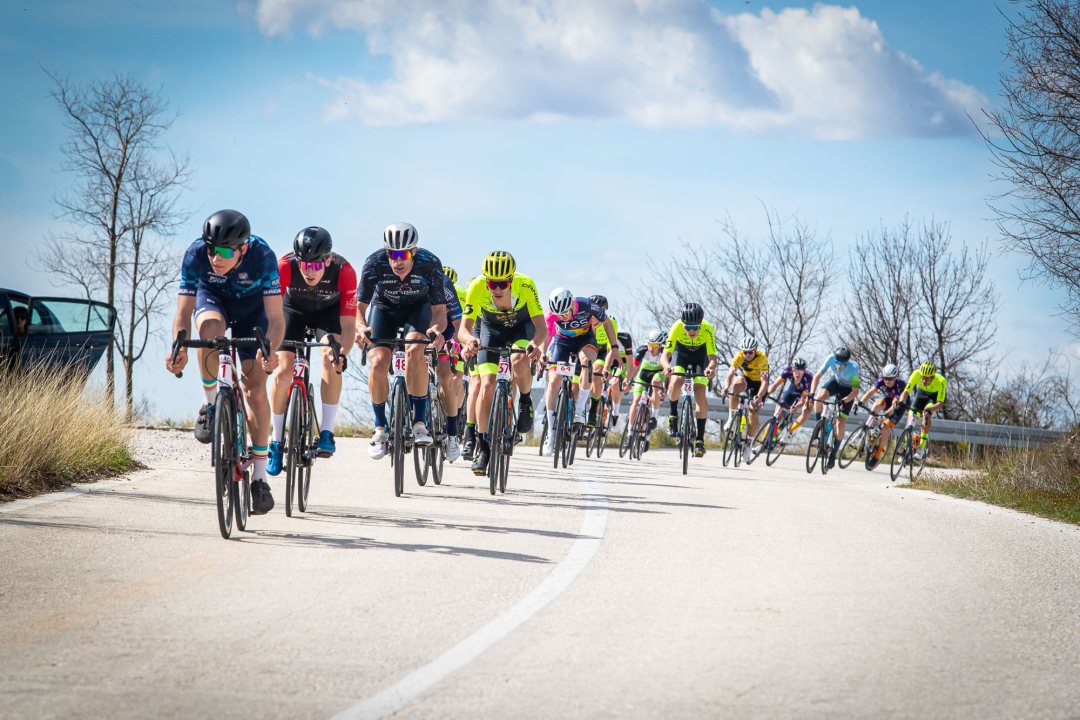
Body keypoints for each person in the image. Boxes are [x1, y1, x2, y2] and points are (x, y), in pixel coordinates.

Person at [165, 209, 284, 515]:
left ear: (243, 248)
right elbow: (183, 313)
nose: (215, 257)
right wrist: (178, 347)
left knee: (255, 389)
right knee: (208, 332)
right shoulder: (195, 254)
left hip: (253, 310)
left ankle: (259, 478)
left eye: (224, 251)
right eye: (211, 249)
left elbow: (276, 319)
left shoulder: (263, 256)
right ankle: (211, 406)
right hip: (213, 299)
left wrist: (270, 349)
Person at [266, 227, 356, 476]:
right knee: (282, 372)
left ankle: (327, 431)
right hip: (292, 312)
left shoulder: (344, 271)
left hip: (328, 314)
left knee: (330, 357)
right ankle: (276, 440)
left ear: (327, 260)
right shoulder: (284, 266)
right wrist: (269, 347)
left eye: (315, 266)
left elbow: (349, 326)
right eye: (304, 265)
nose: (309, 271)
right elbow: (270, 315)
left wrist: (342, 354)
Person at [355, 223, 447, 459]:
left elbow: (439, 311)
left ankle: (419, 423)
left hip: (418, 310)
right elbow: (359, 308)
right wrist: (361, 328)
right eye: (392, 254)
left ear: (414, 251)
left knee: (415, 350)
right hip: (383, 310)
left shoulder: (430, 264)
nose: (397, 261)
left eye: (403, 255)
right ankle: (380, 428)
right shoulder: (374, 263)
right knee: (378, 361)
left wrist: (436, 330)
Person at [458, 251, 547, 474]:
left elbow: (541, 328)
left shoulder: (525, 285)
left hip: (521, 327)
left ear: (512, 279)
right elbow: (464, 330)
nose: (497, 289)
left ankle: (524, 400)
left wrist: (535, 344)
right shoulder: (477, 287)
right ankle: (483, 448)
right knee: (487, 384)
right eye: (492, 284)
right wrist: (469, 341)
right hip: (492, 329)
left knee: (518, 359)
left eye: (503, 284)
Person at [541, 288, 616, 455]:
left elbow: (607, 322)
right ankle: (551, 434)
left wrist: (615, 348)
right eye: (558, 315)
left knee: (586, 363)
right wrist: (543, 354)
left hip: (585, 340)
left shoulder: (586, 305)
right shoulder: (550, 314)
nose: (562, 317)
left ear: (571, 305)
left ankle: (580, 409)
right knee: (553, 383)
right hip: (562, 342)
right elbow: (546, 335)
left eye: (564, 313)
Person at [661, 302, 718, 458]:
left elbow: (712, 358)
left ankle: (700, 440)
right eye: (688, 327)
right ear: (683, 324)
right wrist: (667, 367)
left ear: (701, 324)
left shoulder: (707, 328)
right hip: (681, 354)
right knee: (676, 380)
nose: (692, 331)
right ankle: (673, 415)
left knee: (700, 392)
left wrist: (710, 369)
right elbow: (665, 355)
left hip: (701, 356)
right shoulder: (676, 327)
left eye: (695, 327)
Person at [809, 346, 861, 469]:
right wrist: (811, 393)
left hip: (848, 391)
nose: (839, 366)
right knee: (819, 398)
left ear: (847, 362)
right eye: (838, 363)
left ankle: (833, 455)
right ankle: (820, 427)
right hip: (836, 383)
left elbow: (855, 391)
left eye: (843, 364)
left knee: (840, 421)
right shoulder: (830, 358)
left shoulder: (854, 369)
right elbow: (817, 376)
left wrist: (845, 400)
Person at [722, 335, 770, 463]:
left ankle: (749, 444)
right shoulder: (739, 356)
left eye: (750, 352)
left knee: (753, 412)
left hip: (759, 384)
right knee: (736, 384)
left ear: (755, 350)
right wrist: (726, 387)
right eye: (745, 352)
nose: (747, 355)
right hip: (747, 379)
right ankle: (732, 417)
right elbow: (730, 375)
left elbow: (765, 381)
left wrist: (759, 395)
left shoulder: (762, 358)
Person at [855, 363, 909, 468]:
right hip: (889, 399)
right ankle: (869, 431)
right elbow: (871, 391)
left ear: (895, 377)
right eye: (885, 378)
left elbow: (894, 405)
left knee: (885, 428)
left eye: (890, 379)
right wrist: (860, 402)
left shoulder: (900, 385)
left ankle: (877, 455)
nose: (887, 381)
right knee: (876, 404)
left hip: (899, 406)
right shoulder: (881, 380)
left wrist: (884, 414)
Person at [436, 266, 465, 461]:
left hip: (451, 333)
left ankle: (453, 429)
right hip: (431, 329)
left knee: (452, 378)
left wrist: (458, 344)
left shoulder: (459, 294)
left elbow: (463, 324)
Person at [897, 362, 947, 460]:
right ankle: (907, 449)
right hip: (920, 397)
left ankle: (921, 448)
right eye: (922, 377)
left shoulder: (941, 380)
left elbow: (940, 403)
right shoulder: (916, 373)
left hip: (932, 399)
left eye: (927, 378)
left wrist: (930, 410)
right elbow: (906, 391)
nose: (924, 380)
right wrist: (900, 402)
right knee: (910, 419)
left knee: (926, 414)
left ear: (933, 377)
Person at [627, 329, 667, 444]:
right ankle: (629, 434)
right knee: (636, 400)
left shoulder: (665, 353)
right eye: (650, 344)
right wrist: (629, 381)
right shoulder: (642, 350)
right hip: (643, 374)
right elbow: (635, 368)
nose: (651, 348)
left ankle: (653, 417)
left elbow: (668, 374)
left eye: (655, 346)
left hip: (658, 374)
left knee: (655, 383)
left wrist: (664, 388)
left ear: (660, 345)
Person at [764, 356, 813, 443]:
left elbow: (802, 400)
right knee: (777, 416)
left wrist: (796, 406)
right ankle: (763, 441)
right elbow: (775, 385)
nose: (798, 374)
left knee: (806, 411)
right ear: (792, 370)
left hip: (805, 394)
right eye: (796, 371)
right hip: (793, 390)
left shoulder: (808, 377)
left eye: (800, 371)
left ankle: (790, 431)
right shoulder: (787, 370)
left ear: (804, 371)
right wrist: (767, 393)